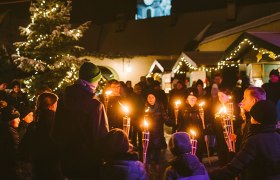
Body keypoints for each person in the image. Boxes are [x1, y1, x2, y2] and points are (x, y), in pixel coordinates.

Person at [53, 62, 109, 179]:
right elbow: (100, 136)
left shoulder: (64, 99)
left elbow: (56, 129)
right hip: (88, 162)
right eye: (97, 80)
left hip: (67, 160)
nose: (98, 83)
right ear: (93, 81)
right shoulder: (95, 105)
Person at [209, 100, 280, 180]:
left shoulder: (254, 141)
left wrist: (207, 175)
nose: (251, 120)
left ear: (258, 120)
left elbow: (233, 168)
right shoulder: (278, 137)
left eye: (252, 117)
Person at [32, 92, 63, 179]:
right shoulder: (53, 119)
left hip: (38, 159)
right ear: (52, 105)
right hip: (51, 159)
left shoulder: (37, 118)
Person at [144, 91, 172, 178]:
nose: (150, 99)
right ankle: (147, 168)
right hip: (148, 132)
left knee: (157, 151)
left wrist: (173, 123)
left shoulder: (159, 106)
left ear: (156, 98)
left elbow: (165, 117)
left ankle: (157, 168)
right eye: (149, 97)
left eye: (152, 97)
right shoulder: (145, 106)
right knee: (147, 149)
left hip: (157, 133)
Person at [176, 88, 205, 161]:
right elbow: (180, 122)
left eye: (194, 98)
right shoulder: (183, 109)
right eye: (190, 98)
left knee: (197, 150)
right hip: (186, 134)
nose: (192, 100)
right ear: (187, 99)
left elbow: (203, 123)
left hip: (198, 134)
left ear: (196, 99)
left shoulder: (200, 109)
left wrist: (205, 131)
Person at [0, 106, 21, 179]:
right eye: (17, 117)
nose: (19, 120)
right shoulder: (9, 132)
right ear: (9, 119)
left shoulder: (7, 130)